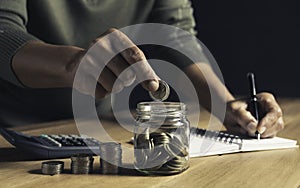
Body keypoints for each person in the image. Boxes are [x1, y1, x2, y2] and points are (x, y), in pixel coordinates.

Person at [0, 0, 283, 138]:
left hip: (91, 131)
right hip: (10, 132)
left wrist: (227, 105)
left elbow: (174, 32)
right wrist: (72, 65)